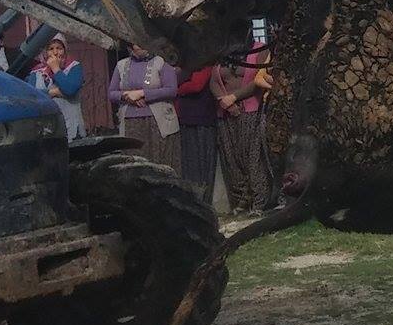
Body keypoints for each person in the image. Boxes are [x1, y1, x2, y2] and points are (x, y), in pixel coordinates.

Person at [213, 40, 274, 213]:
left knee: (253, 156)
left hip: (250, 109)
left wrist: (234, 97)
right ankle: (241, 200)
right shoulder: (224, 50)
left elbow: (257, 80)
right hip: (226, 111)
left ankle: (259, 201)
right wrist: (224, 101)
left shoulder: (259, 50)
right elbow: (214, 81)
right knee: (233, 157)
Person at [111, 44, 180, 172]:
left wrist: (142, 93)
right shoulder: (121, 65)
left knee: (159, 167)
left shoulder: (161, 61)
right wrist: (127, 96)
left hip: (157, 125)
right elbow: (112, 92)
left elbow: (171, 90)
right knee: (135, 167)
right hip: (131, 124)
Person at [177, 63, 222, 203]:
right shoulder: (181, 65)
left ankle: (204, 201)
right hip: (185, 118)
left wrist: (178, 88)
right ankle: (193, 200)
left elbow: (196, 85)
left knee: (203, 164)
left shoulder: (204, 63)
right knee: (190, 164)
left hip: (203, 117)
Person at [29, 34, 87, 141]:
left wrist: (56, 69)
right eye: (51, 49)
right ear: (45, 52)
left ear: (65, 50)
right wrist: (54, 92)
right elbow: (32, 96)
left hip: (72, 131)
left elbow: (70, 90)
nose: (55, 53)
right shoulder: (36, 72)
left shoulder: (74, 67)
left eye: (59, 48)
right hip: (46, 131)